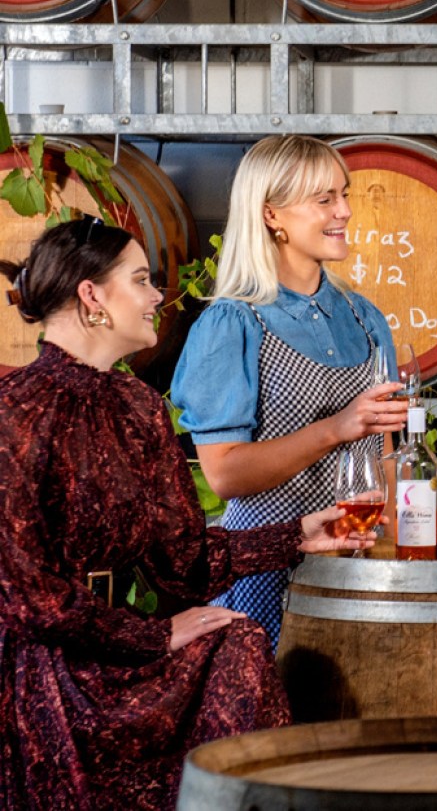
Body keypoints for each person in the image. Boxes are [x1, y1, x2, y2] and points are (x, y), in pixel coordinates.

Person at [0, 216, 379, 809]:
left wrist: (298, 536)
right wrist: (155, 635)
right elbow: (27, 599)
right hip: (45, 672)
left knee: (239, 644)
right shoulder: (14, 413)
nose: (158, 297)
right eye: (142, 281)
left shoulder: (139, 407)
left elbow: (183, 564)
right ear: (91, 296)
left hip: (122, 655)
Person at [171, 135, 407, 649]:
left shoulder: (365, 318)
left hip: (356, 564)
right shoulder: (232, 323)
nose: (344, 211)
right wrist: (336, 428)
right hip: (264, 569)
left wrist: (389, 522)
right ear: (271, 214)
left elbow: (384, 454)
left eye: (343, 194)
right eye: (323, 199)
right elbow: (226, 474)